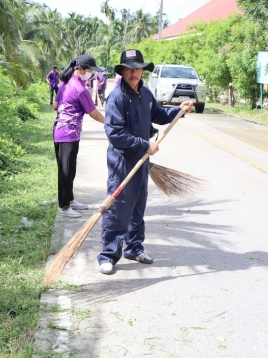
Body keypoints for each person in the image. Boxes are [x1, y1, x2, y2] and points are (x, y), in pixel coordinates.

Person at [97, 50, 194, 274]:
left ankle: (134, 248)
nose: (134, 73)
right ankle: (108, 255)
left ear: (142, 71)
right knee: (119, 207)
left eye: (138, 69)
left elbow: (158, 115)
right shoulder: (117, 97)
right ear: (122, 71)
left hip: (141, 161)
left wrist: (179, 110)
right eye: (129, 69)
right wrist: (144, 144)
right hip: (122, 162)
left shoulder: (145, 93)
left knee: (138, 206)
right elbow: (115, 134)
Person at [53, 55, 105, 218]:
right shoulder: (80, 88)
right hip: (67, 133)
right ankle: (63, 207)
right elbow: (94, 113)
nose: (91, 74)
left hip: (62, 131)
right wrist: (109, 123)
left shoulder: (65, 83)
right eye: (90, 70)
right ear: (80, 69)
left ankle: (70, 200)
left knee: (70, 169)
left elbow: (55, 105)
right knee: (65, 171)